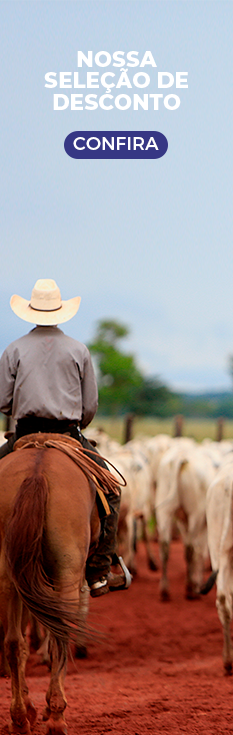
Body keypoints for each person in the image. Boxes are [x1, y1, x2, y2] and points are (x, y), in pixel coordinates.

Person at [0, 278, 131, 597]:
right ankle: (100, 568)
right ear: (60, 312)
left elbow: (3, 401)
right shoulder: (78, 349)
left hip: (24, 434)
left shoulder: (14, 348)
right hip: (68, 435)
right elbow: (90, 407)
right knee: (111, 489)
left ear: (30, 312)